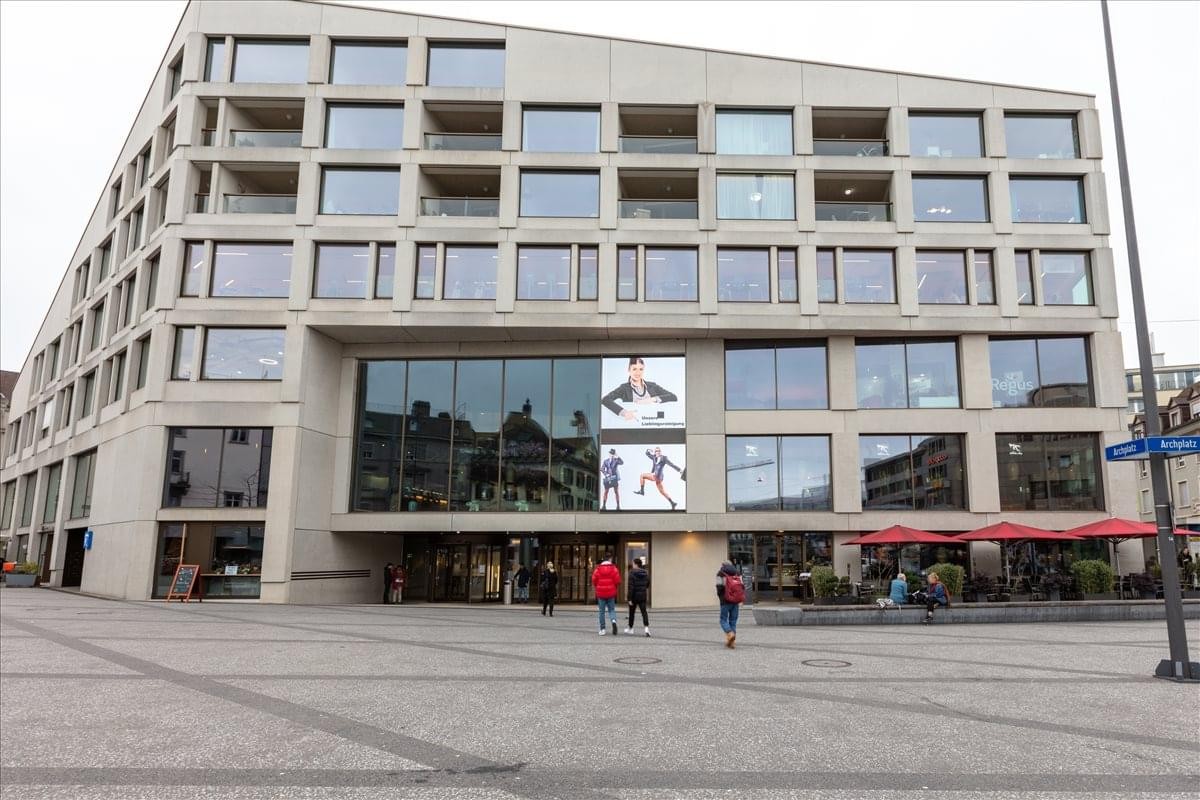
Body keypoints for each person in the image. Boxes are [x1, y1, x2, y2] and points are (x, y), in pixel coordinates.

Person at [602, 357, 678, 422]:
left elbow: (673, 397)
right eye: (634, 369)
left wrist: (652, 399)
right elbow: (605, 399)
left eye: (641, 369)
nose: (638, 372)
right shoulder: (624, 388)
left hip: (651, 424)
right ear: (629, 370)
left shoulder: (652, 386)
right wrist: (624, 412)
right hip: (632, 426)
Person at [716, 561, 745, 648]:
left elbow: (719, 587)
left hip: (725, 601)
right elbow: (742, 586)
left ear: (723, 565)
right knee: (733, 621)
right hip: (735, 601)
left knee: (723, 620)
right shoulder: (737, 573)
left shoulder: (720, 573)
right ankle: (731, 642)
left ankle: (730, 633)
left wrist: (721, 597)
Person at [591, 553, 621, 635]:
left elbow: (594, 580)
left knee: (601, 611)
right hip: (611, 593)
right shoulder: (614, 569)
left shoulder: (598, 569)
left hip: (601, 593)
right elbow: (618, 581)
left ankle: (603, 629)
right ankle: (613, 621)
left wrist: (598, 586)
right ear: (610, 559)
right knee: (611, 610)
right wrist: (614, 587)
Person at [625, 557, 650, 637]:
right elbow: (647, 584)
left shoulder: (632, 573)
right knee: (644, 612)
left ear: (636, 564)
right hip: (642, 596)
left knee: (632, 613)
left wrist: (629, 598)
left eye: (633, 563)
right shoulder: (645, 573)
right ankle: (646, 628)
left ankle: (631, 629)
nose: (632, 565)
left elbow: (630, 587)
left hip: (634, 596)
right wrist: (643, 589)